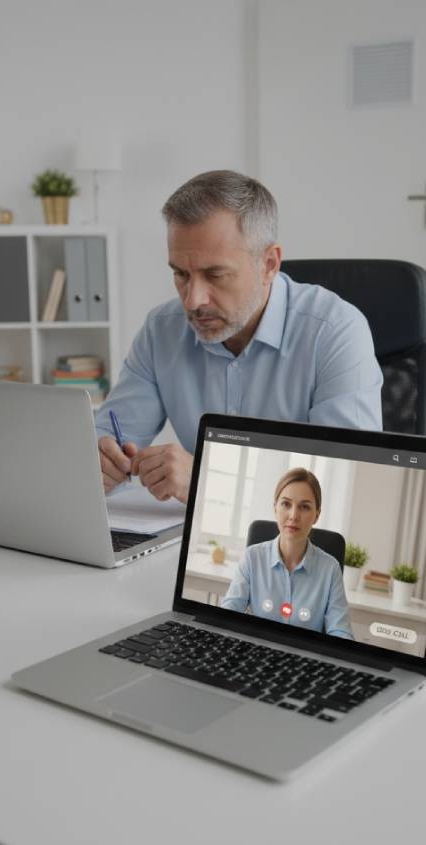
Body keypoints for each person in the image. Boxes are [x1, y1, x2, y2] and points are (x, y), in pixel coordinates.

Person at [96, 170, 382, 503]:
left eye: (215, 275)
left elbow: (346, 484)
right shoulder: (161, 330)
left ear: (269, 264)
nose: (192, 300)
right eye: (181, 274)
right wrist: (100, 460)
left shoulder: (336, 331)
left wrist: (206, 480)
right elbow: (110, 440)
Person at [220, 468, 353, 639]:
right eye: (286, 504)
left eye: (304, 507)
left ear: (317, 515)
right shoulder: (252, 558)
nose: (293, 515)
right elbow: (228, 613)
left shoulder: (330, 569)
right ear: (275, 507)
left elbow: (341, 631)